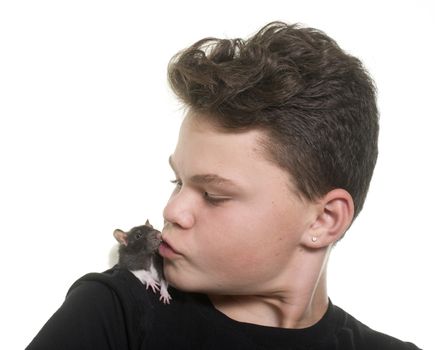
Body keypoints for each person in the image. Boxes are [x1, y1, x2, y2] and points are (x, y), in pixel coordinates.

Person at [26, 21, 420, 349]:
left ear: (324, 220)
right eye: (177, 181)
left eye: (214, 195)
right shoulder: (114, 314)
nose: (173, 211)